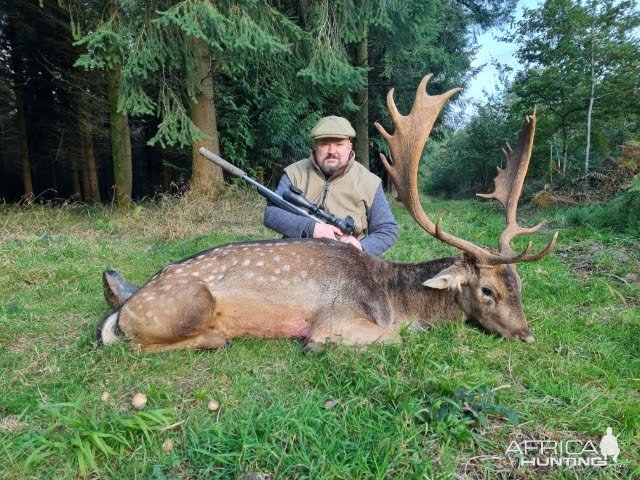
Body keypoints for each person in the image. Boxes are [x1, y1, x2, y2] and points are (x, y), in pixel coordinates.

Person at [263, 115, 398, 256]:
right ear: (315, 146)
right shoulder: (294, 173)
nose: (332, 151)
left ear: (349, 147)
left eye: (339, 144)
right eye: (324, 144)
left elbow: (387, 229)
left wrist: (361, 246)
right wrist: (311, 228)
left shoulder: (369, 182)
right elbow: (271, 214)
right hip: (295, 258)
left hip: (345, 261)